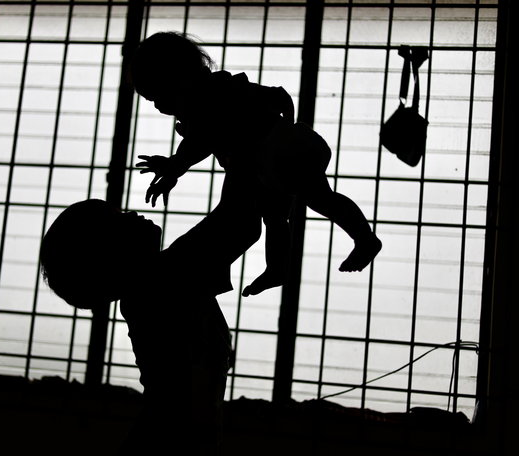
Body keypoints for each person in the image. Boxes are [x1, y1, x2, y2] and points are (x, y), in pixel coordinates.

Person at [130, 32, 382, 296]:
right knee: (276, 216)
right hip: (271, 162)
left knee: (318, 199)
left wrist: (175, 165)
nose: (159, 107)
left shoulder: (211, 96)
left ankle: (364, 238)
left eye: (159, 96)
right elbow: (274, 98)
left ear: (179, 77)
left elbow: (199, 142)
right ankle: (277, 268)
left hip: (286, 152)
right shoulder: (213, 95)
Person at [39, 198, 260, 455]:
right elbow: (241, 219)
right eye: (116, 220)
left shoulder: (148, 288)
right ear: (107, 254)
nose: (132, 213)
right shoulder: (166, 276)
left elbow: (243, 221)